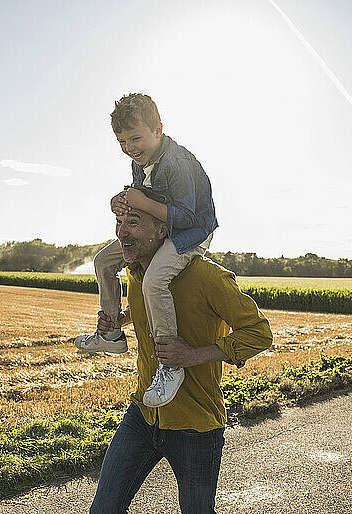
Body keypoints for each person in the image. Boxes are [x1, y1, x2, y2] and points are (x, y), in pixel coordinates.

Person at [88, 207, 273, 514]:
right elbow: (148, 309)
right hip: (143, 414)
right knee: (104, 509)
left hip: (195, 425)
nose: (122, 232)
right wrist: (120, 320)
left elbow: (259, 333)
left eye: (133, 223)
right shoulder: (137, 274)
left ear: (162, 230)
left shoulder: (206, 276)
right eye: (119, 222)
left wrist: (192, 356)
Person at [75, 93, 218, 408]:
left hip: (191, 234)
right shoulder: (138, 160)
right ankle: (111, 333)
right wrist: (121, 200)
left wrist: (142, 202)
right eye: (122, 141)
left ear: (158, 129)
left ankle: (170, 363)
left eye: (135, 138)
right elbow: (143, 195)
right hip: (159, 227)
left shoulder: (178, 162)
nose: (129, 147)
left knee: (154, 281)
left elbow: (187, 217)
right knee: (102, 262)